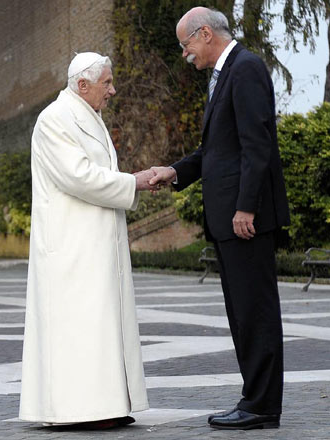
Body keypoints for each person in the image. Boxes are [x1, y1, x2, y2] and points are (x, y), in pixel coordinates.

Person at [148, 7, 290, 430]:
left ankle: (262, 406)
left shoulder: (244, 69)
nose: (185, 53)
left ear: (205, 33)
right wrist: (176, 171)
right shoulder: (225, 74)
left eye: (185, 44)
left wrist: (246, 206)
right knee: (243, 313)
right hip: (229, 218)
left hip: (244, 218)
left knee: (255, 312)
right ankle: (255, 399)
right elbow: (218, 151)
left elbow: (256, 144)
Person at [19, 52, 154, 429]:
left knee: (99, 327)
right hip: (71, 248)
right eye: (106, 83)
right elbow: (79, 177)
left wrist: (131, 182)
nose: (112, 90)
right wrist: (135, 181)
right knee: (78, 330)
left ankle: (104, 406)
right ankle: (77, 411)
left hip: (93, 244)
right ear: (82, 85)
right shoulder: (54, 120)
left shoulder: (86, 116)